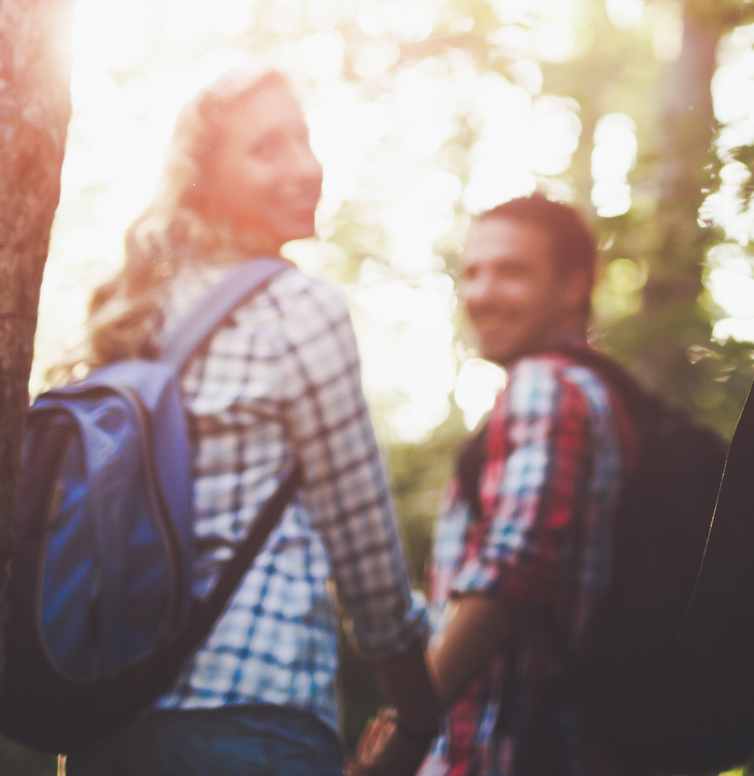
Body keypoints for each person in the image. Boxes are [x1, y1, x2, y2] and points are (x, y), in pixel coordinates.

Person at [62, 65, 441, 776]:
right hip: (251, 717)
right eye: (266, 149)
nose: (303, 167)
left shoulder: (134, 309)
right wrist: (418, 720)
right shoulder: (299, 309)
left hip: (108, 721)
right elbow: (363, 554)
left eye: (303, 140)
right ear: (204, 178)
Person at [369, 194, 632, 776]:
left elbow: (513, 568)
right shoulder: (594, 392)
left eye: (512, 271)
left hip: (505, 754)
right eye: (472, 272)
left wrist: (408, 731)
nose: (482, 292)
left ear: (573, 286)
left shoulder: (546, 385)